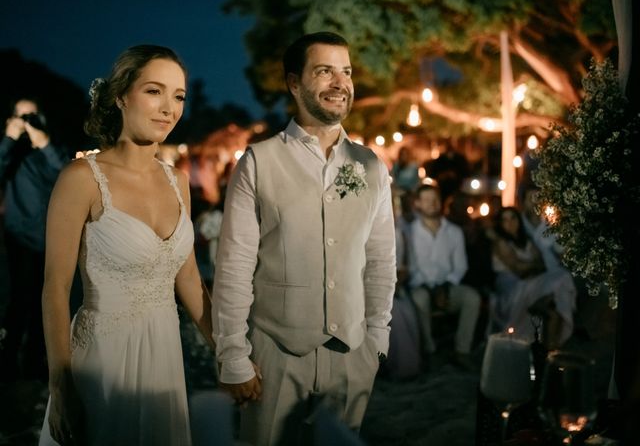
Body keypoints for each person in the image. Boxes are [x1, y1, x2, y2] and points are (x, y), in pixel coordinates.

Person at [212, 31, 396, 446]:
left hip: (353, 352)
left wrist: (377, 340)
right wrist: (234, 356)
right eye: (325, 71)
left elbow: (382, 258)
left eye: (346, 71)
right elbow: (235, 266)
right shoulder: (259, 161)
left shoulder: (371, 165)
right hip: (274, 352)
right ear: (295, 84)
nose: (340, 82)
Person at [39, 45, 215, 446]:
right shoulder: (81, 178)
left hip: (164, 356)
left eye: (179, 96)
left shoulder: (179, 182)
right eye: (154, 91)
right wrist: (61, 387)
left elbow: (187, 275)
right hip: (102, 361)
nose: (168, 108)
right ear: (120, 96)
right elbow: (55, 289)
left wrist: (226, 350)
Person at [0, 97, 69, 382]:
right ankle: (7, 359)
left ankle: (35, 360)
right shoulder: (10, 152)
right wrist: (8, 139)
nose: (27, 123)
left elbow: (64, 172)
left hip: (51, 236)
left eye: (32, 117)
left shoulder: (50, 148)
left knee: (48, 299)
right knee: (20, 297)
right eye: (21, 117)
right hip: (19, 235)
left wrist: (43, 143)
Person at [405, 184, 481, 370]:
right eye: (427, 200)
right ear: (418, 204)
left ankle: (462, 351)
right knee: (420, 299)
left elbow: (460, 266)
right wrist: (429, 288)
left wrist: (446, 287)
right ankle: (429, 351)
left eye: (435, 199)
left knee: (472, 297)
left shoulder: (454, 231)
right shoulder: (409, 232)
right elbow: (411, 267)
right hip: (421, 287)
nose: (433, 203)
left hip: (448, 286)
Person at [490, 206, 576, 350]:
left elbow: (541, 264)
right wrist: (531, 266)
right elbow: (516, 267)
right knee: (560, 278)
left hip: (530, 281)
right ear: (500, 224)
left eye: (513, 218)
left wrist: (529, 266)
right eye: (505, 220)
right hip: (511, 286)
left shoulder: (527, 241)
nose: (510, 223)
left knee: (561, 280)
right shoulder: (501, 242)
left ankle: (553, 345)